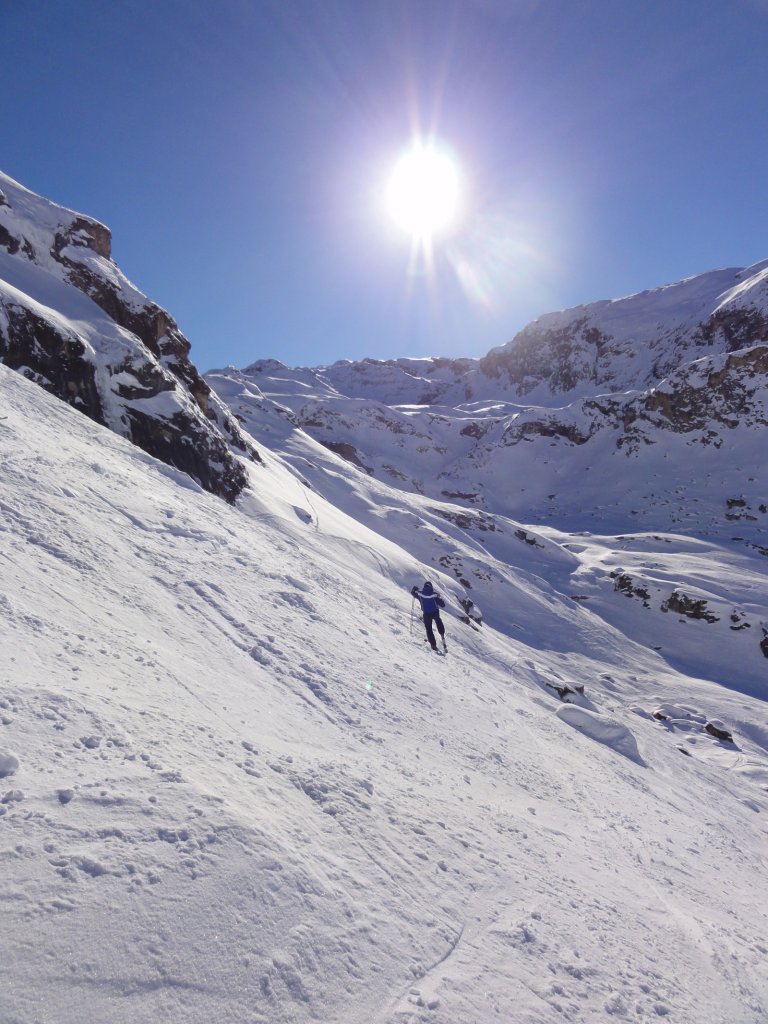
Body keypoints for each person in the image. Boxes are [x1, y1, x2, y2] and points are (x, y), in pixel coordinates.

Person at [411, 581, 447, 651]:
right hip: (435, 613)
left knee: (429, 629)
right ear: (431, 587)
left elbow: (413, 592)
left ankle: (433, 645)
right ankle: (442, 634)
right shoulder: (434, 594)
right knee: (438, 621)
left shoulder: (420, 594)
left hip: (426, 614)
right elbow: (443, 605)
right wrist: (440, 599)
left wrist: (414, 588)